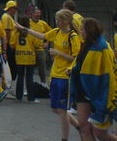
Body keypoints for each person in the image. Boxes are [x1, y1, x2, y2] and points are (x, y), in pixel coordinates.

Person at [16, 9, 80, 141]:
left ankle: (64, 138)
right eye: (57, 19)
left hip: (65, 76)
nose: (58, 22)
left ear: (67, 21)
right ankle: (79, 127)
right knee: (55, 109)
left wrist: (58, 53)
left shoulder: (73, 36)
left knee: (62, 110)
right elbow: (42, 36)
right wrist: (24, 28)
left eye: (60, 20)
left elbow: (76, 58)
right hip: (55, 75)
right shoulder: (56, 32)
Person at [69, 18, 117, 141]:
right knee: (84, 127)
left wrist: (108, 97)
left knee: (100, 133)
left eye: (82, 29)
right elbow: (80, 64)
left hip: (98, 92)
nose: (80, 32)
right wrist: (72, 69)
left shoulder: (102, 47)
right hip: (83, 91)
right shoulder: (85, 45)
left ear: (90, 30)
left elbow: (108, 74)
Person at [10, 16, 38, 103]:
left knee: (20, 77)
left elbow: (12, 44)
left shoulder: (16, 33)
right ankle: (31, 98)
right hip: (30, 57)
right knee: (29, 77)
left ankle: (19, 96)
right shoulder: (31, 32)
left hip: (19, 57)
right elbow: (36, 44)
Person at [29, 7, 51, 87]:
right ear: (32, 14)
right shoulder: (28, 23)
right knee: (29, 69)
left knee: (42, 68)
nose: (38, 15)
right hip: (30, 50)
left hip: (40, 49)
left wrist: (47, 42)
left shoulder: (43, 23)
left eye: (39, 13)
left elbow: (50, 34)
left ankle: (43, 83)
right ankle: (29, 86)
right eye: (37, 13)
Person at [1, 0, 18, 81]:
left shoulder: (8, 17)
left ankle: (7, 84)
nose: (15, 11)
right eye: (15, 9)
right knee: (10, 66)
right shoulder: (7, 17)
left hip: (9, 44)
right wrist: (8, 45)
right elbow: (7, 32)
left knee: (10, 67)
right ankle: (7, 85)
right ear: (11, 8)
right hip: (8, 45)